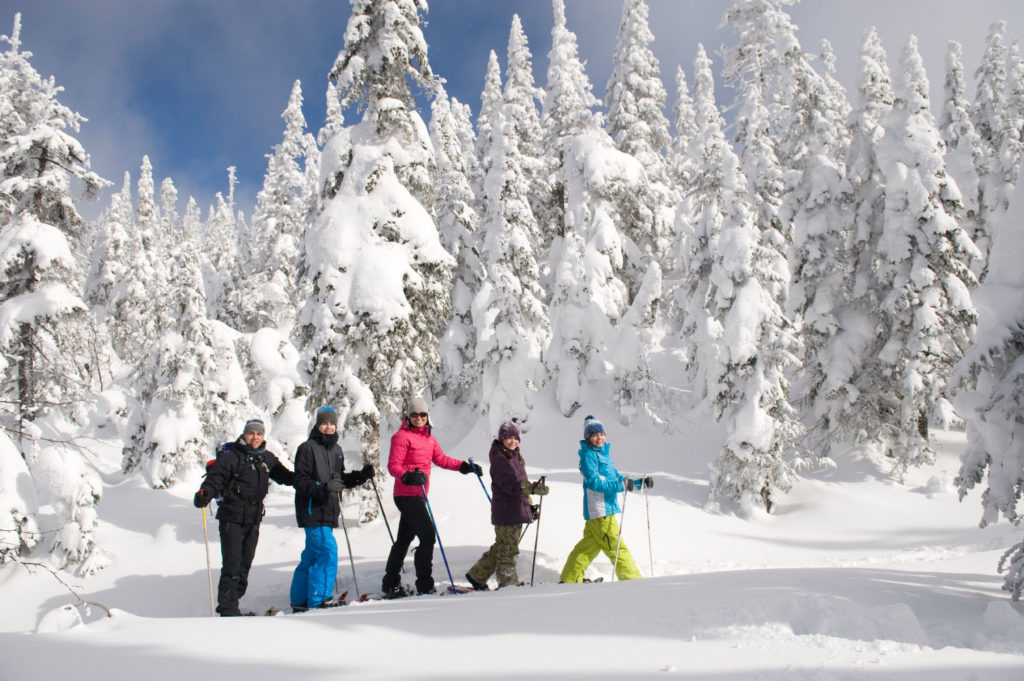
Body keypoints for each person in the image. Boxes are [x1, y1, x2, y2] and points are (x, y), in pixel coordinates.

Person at [381, 396, 482, 597]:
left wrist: (464, 466)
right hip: (405, 494)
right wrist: (407, 476)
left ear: (428, 417)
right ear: (408, 417)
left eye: (423, 415)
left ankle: (390, 582)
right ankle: (424, 584)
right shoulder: (401, 437)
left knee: (404, 539)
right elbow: (393, 466)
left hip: (419, 495)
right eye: (415, 415)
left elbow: (441, 459)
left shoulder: (429, 439)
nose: (419, 418)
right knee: (427, 535)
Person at [193, 418, 295, 616]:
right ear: (244, 434)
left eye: (259, 434)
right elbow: (216, 478)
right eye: (251, 433)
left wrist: (307, 480)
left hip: (253, 518)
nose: (255, 437)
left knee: (244, 565)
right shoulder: (231, 456)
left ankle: (233, 602)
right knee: (232, 564)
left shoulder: (266, 458)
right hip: (231, 517)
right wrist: (205, 493)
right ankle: (228, 608)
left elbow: (285, 477)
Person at [289, 406, 374, 612]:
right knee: (327, 551)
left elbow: (340, 480)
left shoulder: (336, 450)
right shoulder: (307, 448)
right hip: (312, 509)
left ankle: (300, 600)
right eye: (324, 423)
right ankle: (319, 599)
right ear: (318, 425)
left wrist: (361, 476)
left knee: (311, 556)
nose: (328, 427)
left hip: (328, 509)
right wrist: (323, 487)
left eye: (332, 423)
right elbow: (300, 481)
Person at [559, 415, 651, 583]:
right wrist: (622, 486)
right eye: (594, 435)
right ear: (588, 438)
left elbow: (617, 478)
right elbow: (594, 483)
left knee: (588, 547)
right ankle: (633, 581)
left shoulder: (604, 455)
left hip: (603, 510)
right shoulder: (589, 457)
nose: (599, 437)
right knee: (617, 548)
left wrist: (639, 483)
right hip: (600, 510)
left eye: (601, 434)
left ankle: (569, 578)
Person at [465, 421, 548, 591]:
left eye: (515, 437)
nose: (512, 441)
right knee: (508, 549)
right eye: (508, 437)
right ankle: (508, 583)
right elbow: (510, 485)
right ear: (501, 439)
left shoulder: (514, 455)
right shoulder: (499, 458)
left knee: (502, 546)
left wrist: (528, 506)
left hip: (514, 509)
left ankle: (477, 575)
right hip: (506, 511)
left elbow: (519, 484)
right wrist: (531, 488)